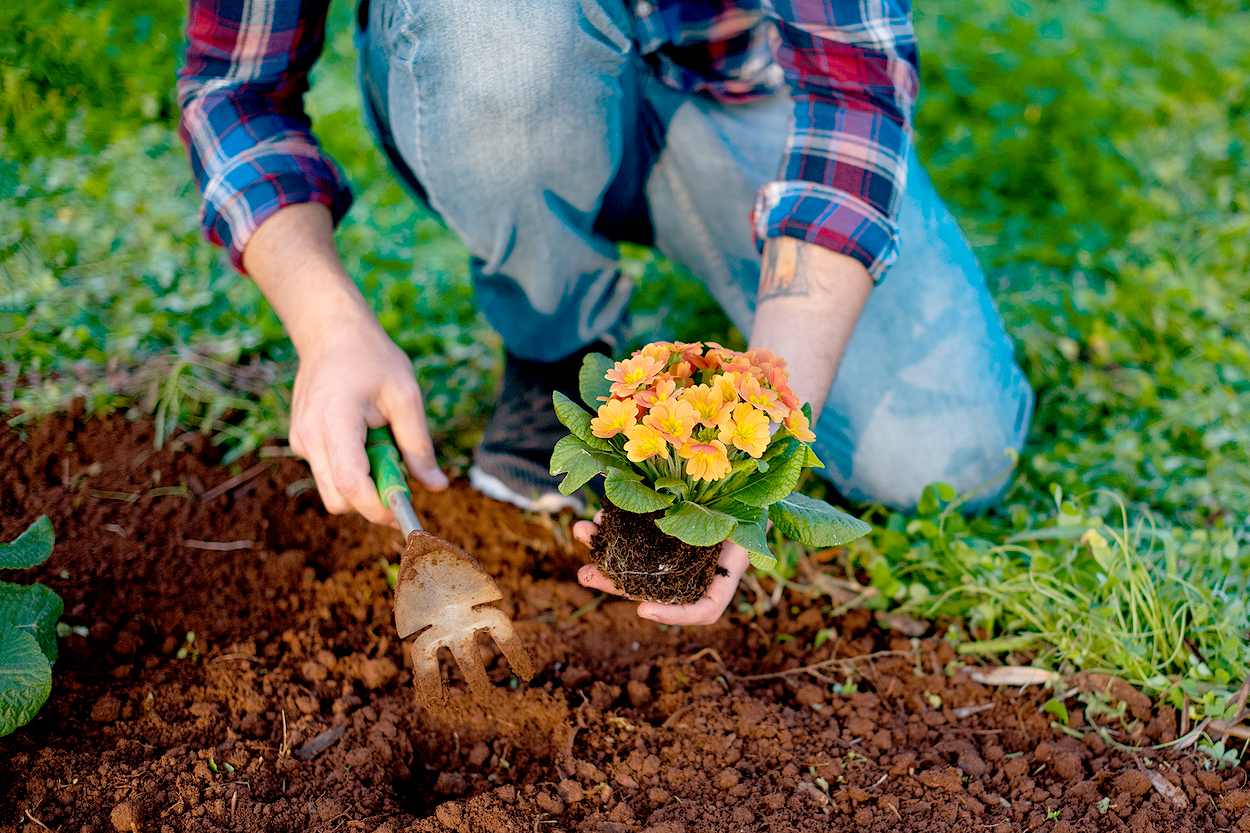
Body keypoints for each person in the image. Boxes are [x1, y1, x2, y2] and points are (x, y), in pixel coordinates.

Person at [178, 0, 1033, 626]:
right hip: (497, 74)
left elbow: (851, 83)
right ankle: (556, 337)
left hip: (738, 91)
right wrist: (328, 327)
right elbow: (233, 87)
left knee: (943, 456)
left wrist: (761, 419)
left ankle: (701, 324)